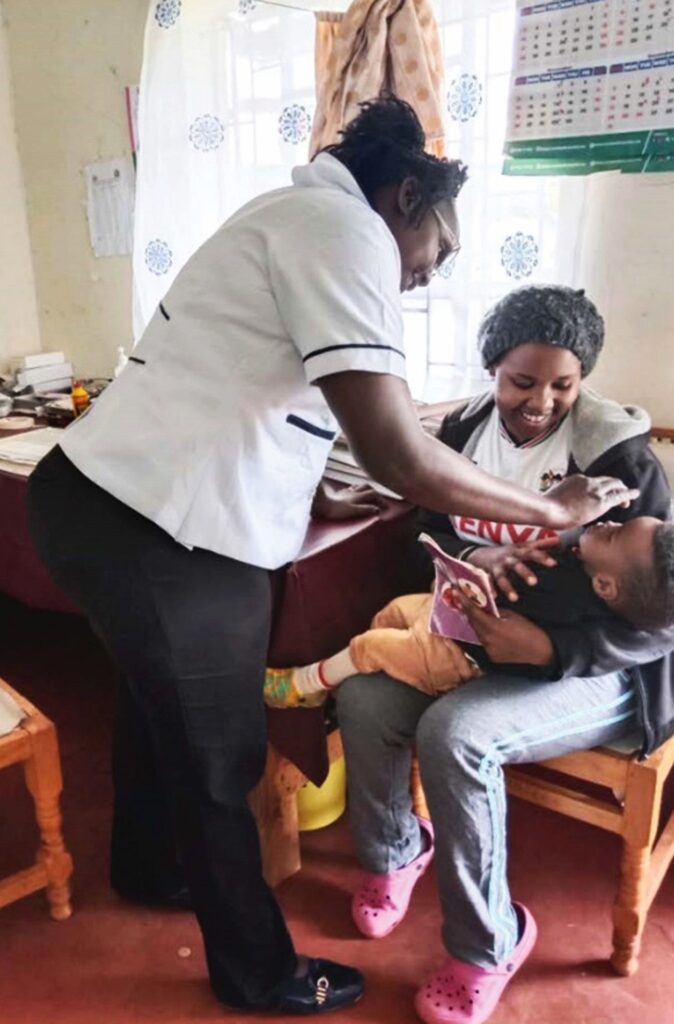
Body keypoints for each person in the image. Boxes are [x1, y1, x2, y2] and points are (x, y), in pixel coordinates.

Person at [27, 103, 637, 1018]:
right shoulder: (344, 230)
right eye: (443, 246)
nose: (435, 271)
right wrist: (552, 511)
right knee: (219, 755)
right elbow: (396, 449)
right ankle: (258, 972)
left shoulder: (296, 218)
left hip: (117, 507)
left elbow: (256, 389)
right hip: (155, 525)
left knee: (158, 708)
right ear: (406, 197)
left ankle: (153, 868)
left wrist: (314, 494)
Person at [335, 284, 674, 1024]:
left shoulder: (618, 455)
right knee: (362, 698)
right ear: (493, 369)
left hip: (597, 664)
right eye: (522, 382)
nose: (541, 402)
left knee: (455, 735)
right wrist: (470, 556)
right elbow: (429, 527)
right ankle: (395, 854)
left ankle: (489, 942)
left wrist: (550, 645)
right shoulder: (459, 431)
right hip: (479, 638)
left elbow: (659, 616)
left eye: (563, 384)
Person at [264, 516, 674, 705]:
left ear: (606, 585)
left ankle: (302, 686)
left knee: (368, 645)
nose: (605, 524)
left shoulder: (564, 591)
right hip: (446, 620)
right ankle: (344, 680)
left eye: (614, 534)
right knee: (392, 611)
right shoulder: (583, 565)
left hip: (458, 656)